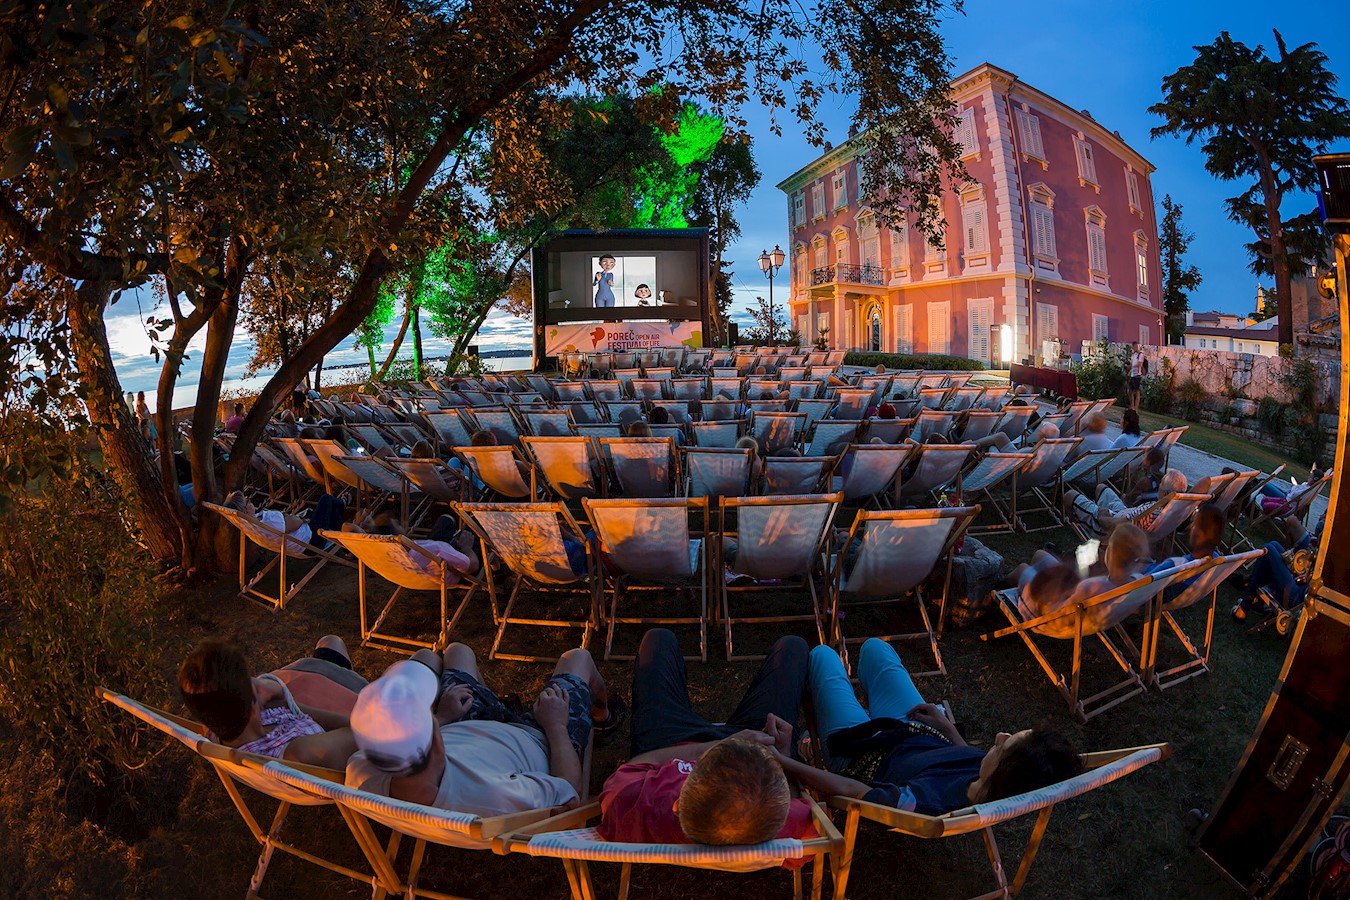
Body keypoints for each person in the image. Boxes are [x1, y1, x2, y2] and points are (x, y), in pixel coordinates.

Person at [802, 640, 1083, 815]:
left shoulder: (927, 801)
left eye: (1002, 746)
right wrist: (947, 728)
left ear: (1003, 772)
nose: (998, 736)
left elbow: (852, 790)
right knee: (876, 649)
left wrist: (781, 762)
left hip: (863, 754)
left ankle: (847, 712)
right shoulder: (987, 781)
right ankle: (862, 707)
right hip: (915, 730)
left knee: (824, 656)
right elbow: (964, 762)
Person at [598, 628, 817, 849]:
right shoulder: (775, 818)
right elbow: (793, 798)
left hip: (668, 743)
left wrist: (723, 746)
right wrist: (784, 753)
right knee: (792, 646)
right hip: (753, 747)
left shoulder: (630, 801)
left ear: (678, 804)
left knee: (658, 639)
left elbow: (640, 760)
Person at [346, 643, 620, 816]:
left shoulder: (361, 770)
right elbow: (569, 790)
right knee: (577, 657)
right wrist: (557, 726)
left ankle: (498, 706)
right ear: (437, 744)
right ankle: (604, 716)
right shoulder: (491, 796)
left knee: (457, 651)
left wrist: (442, 717)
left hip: (466, 724)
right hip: (542, 737)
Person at [178, 635, 364, 769]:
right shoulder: (301, 752)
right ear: (252, 706)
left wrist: (272, 691)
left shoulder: (220, 726)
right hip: (363, 753)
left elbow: (295, 708)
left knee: (330, 642)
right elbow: (363, 734)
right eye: (254, 683)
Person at [345, 510, 482, 581]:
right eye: (398, 524)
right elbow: (472, 567)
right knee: (474, 527)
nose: (403, 524)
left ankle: (450, 520)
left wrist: (364, 532)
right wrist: (466, 548)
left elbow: (346, 527)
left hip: (417, 565)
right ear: (398, 536)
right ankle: (495, 568)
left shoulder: (383, 552)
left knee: (445, 520)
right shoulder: (438, 550)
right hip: (447, 570)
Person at [1231, 515, 1323, 621]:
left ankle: (1244, 606)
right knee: (1274, 545)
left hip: (1298, 597)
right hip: (1301, 585)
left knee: (1269, 550)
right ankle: (1252, 593)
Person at [1064, 470, 1187, 537]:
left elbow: (1117, 524)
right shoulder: (1170, 511)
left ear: (1165, 494)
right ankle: (1087, 518)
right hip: (1123, 513)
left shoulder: (1153, 511)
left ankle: (1080, 526)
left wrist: (1102, 514)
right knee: (1101, 488)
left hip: (1110, 526)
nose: (1159, 486)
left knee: (1069, 495)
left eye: (1160, 486)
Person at [221, 489, 346, 553]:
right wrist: (301, 519)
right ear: (245, 511)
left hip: (302, 542)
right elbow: (295, 524)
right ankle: (344, 503)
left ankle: (344, 535)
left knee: (328, 512)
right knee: (326, 500)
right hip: (312, 541)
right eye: (247, 501)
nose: (249, 499)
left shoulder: (251, 525)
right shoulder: (265, 522)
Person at [1128, 343, 1148, 411]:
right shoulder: (1133, 355)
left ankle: (1136, 408)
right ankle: (1132, 406)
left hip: (1137, 375)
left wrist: (1132, 366)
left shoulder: (1140, 355)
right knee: (1129, 391)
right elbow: (1132, 363)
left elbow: (1139, 364)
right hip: (1132, 374)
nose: (1135, 348)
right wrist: (1129, 370)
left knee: (1137, 391)